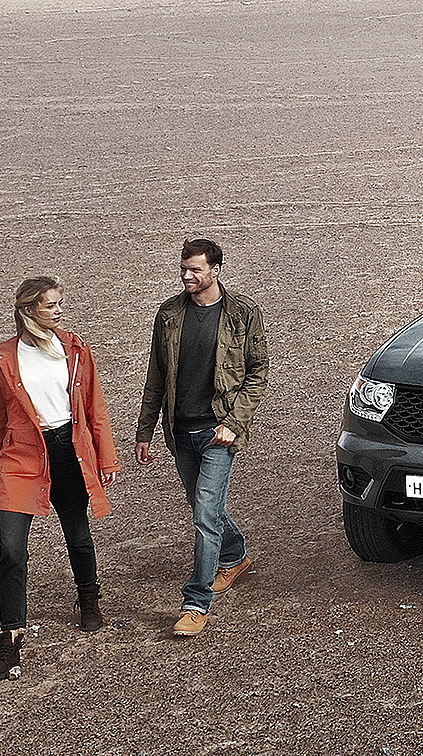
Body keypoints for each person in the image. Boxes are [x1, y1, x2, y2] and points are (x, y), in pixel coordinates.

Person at [0, 275, 120, 681]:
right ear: (28, 311)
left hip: (69, 451)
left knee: (77, 534)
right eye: (50, 305)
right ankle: (9, 641)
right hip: (21, 456)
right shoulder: (3, 359)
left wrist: (105, 458)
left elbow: (94, 407)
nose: (59, 311)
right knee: (11, 550)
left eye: (60, 303)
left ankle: (89, 599)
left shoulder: (74, 348)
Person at [135, 236, 269, 638]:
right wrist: (145, 431)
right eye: (183, 268)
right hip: (180, 431)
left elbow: (258, 372)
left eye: (195, 269)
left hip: (218, 432)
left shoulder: (243, 313)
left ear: (215, 270)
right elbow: (156, 378)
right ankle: (235, 556)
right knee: (203, 507)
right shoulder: (169, 315)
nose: (187, 276)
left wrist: (234, 422)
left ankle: (195, 604)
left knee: (205, 515)